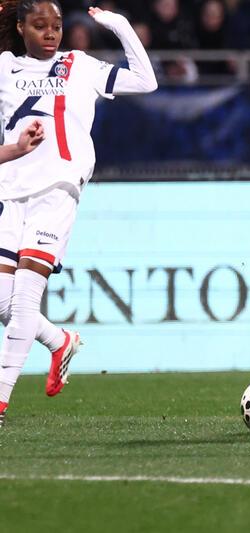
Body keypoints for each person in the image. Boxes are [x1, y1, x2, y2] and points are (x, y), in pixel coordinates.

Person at [0, 0, 157, 428]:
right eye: (39, 26)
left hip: (58, 188)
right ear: (20, 27)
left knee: (26, 299)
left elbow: (146, 82)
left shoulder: (80, 65)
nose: (51, 33)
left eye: (55, 26)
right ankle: (59, 340)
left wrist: (120, 25)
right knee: (3, 304)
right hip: (10, 192)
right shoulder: (4, 69)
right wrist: (12, 150)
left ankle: (0, 402)